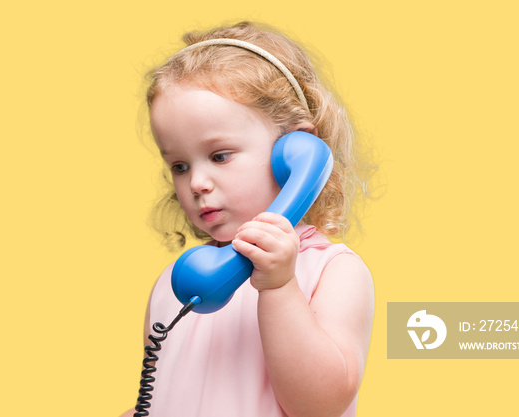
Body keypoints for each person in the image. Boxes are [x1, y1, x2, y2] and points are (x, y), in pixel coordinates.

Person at [122, 21, 376, 417]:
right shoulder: (180, 282)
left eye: (219, 155)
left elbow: (320, 406)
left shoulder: (334, 272)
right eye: (179, 165)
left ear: (295, 151)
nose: (197, 183)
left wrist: (279, 285)